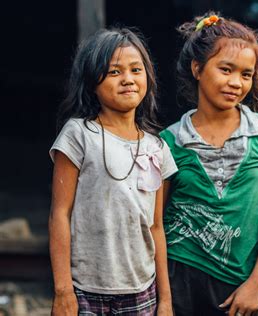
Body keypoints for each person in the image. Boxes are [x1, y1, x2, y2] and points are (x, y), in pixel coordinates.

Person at [160, 12, 258, 316]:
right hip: (179, 277)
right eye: (225, 69)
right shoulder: (169, 142)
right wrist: (164, 299)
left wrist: (257, 283)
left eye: (246, 75)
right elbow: (155, 223)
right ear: (197, 68)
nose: (236, 82)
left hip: (240, 284)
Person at [48, 27, 177, 316]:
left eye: (135, 69)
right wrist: (63, 290)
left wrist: (165, 300)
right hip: (85, 290)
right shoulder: (79, 135)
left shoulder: (157, 147)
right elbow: (60, 214)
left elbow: (156, 227)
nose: (128, 79)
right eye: (114, 72)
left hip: (141, 290)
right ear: (92, 82)